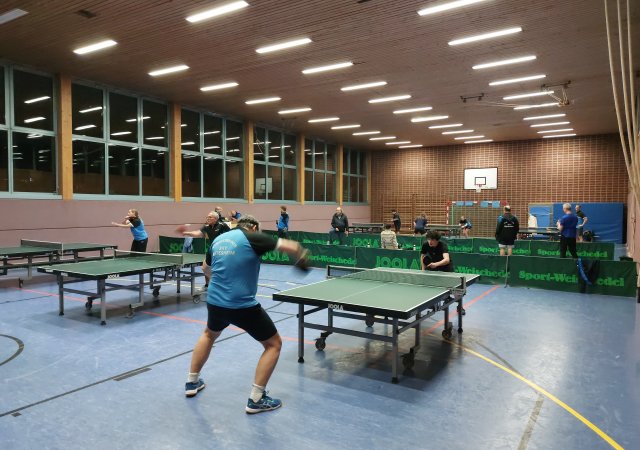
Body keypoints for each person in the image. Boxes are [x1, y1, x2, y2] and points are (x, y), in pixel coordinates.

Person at [185, 215, 310, 414]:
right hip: (241, 305)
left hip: (215, 302)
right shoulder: (252, 237)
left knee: (209, 334)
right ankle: (257, 399)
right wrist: (303, 258)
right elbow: (292, 246)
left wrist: (223, 281)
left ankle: (192, 382)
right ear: (253, 227)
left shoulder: (219, 239)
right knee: (273, 344)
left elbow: (205, 268)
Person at [177, 211, 230, 291]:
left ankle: (223, 284)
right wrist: (186, 233)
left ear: (216, 219)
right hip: (212, 249)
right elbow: (197, 233)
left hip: (222, 250)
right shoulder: (206, 226)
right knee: (205, 267)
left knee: (221, 268)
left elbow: (231, 234)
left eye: (210, 217)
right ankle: (207, 285)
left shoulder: (222, 225)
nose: (208, 218)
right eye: (207, 217)